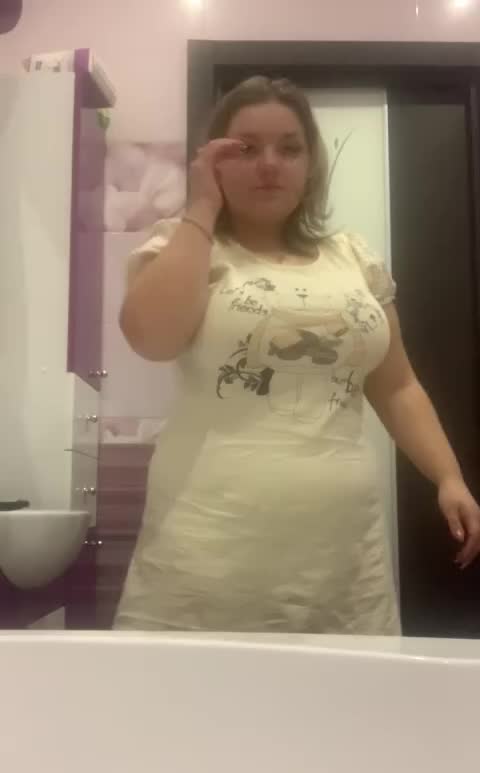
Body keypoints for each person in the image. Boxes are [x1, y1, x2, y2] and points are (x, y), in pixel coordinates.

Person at [114, 76, 480, 634]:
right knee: (196, 687)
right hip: (206, 551)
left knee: (342, 687)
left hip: (341, 556)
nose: (269, 163)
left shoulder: (353, 258)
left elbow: (397, 386)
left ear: (311, 165)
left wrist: (448, 475)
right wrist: (202, 209)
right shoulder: (182, 242)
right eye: (245, 148)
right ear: (213, 161)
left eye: (289, 148)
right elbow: (152, 339)